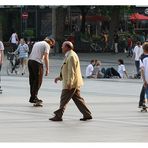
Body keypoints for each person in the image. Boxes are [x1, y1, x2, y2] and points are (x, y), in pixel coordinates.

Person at [49, 41, 92, 121]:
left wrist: (70, 83)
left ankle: (58, 115)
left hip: (71, 83)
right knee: (78, 100)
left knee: (63, 99)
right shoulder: (69, 55)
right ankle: (87, 114)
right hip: (74, 82)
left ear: (67, 47)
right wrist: (60, 77)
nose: (61, 47)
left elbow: (71, 71)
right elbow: (66, 69)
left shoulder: (71, 56)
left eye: (63, 46)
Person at [28, 37, 55, 104]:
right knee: (38, 81)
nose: (51, 47)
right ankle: (34, 98)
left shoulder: (37, 43)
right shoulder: (47, 45)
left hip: (30, 61)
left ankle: (33, 97)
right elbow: (46, 58)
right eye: (51, 45)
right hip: (37, 63)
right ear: (51, 43)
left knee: (32, 80)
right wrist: (47, 69)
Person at [139, 43, 148, 108]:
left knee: (144, 89)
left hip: (146, 78)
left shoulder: (142, 58)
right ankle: (142, 102)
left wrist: (144, 80)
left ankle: (141, 102)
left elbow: (142, 70)